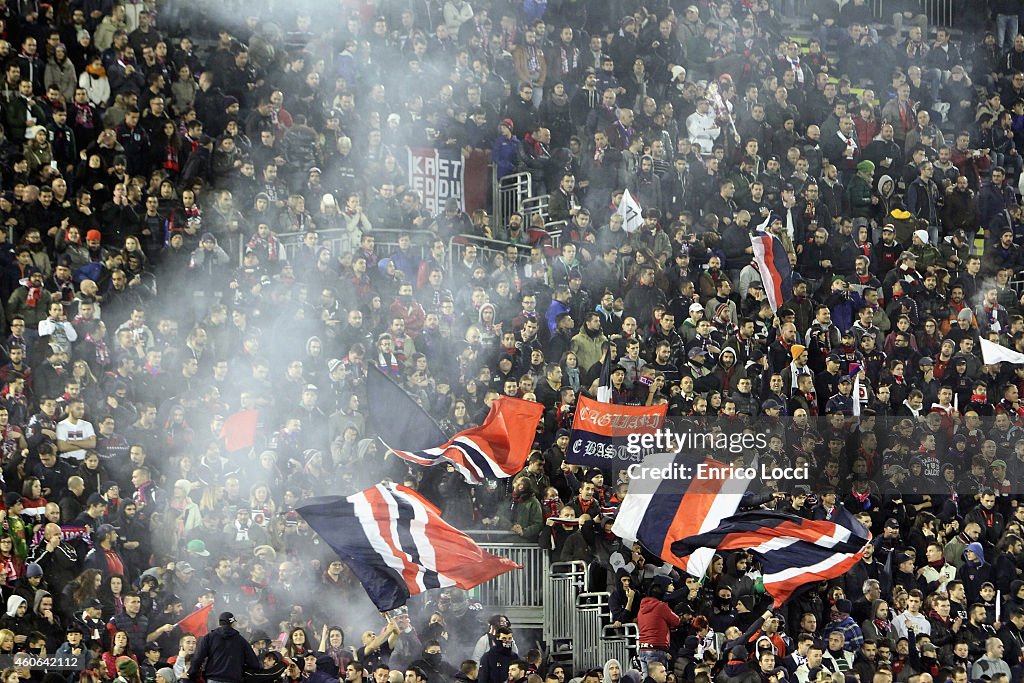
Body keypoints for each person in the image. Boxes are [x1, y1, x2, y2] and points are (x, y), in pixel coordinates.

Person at [187, 611, 259, 683]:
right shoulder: (241, 641)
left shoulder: (209, 637)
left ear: (219, 623)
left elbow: (198, 658)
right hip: (233, 679)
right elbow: (254, 664)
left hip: (213, 679)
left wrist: (191, 674)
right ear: (233, 623)